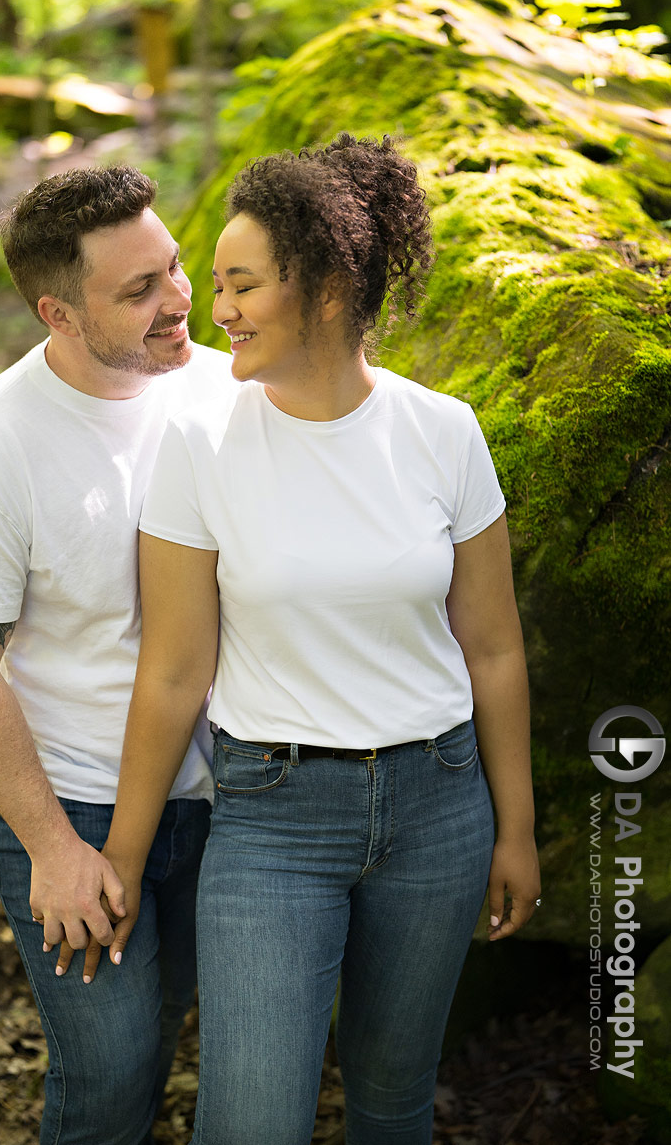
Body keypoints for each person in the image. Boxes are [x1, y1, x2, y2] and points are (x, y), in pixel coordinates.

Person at [75, 132, 541, 1144]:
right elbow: (175, 672)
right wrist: (120, 854)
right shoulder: (198, 446)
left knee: (391, 1098)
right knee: (251, 1122)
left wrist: (514, 827)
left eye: (242, 282)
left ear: (327, 288)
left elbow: (495, 649)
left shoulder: (444, 432)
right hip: (273, 821)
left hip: (438, 809)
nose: (218, 307)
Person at [0, 164, 236, 1145]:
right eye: (139, 290)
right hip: (80, 803)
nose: (180, 299)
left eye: (174, 266)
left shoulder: (227, 391)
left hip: (235, 792)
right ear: (58, 311)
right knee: (110, 1070)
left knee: (189, 1031)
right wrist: (53, 846)